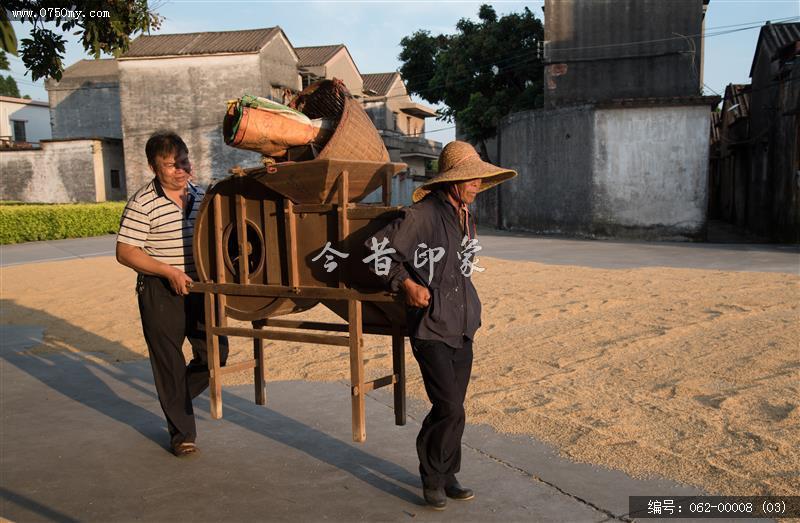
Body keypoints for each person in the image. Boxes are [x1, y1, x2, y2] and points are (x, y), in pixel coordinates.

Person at [366, 141, 517, 509]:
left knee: (457, 407)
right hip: (430, 327)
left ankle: (448, 473)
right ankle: (431, 477)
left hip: (462, 325)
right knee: (447, 405)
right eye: (470, 179)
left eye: (479, 178)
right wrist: (407, 284)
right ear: (452, 181)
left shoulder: (464, 214)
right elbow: (376, 252)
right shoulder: (424, 214)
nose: (476, 184)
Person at [116, 130, 228, 457]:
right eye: (171, 164)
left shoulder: (201, 195)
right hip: (159, 288)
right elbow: (125, 251)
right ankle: (182, 434)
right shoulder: (143, 202)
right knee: (168, 361)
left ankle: (175, 398)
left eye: (184, 161)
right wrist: (168, 271)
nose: (181, 169)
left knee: (214, 356)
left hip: (199, 286)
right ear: (154, 168)